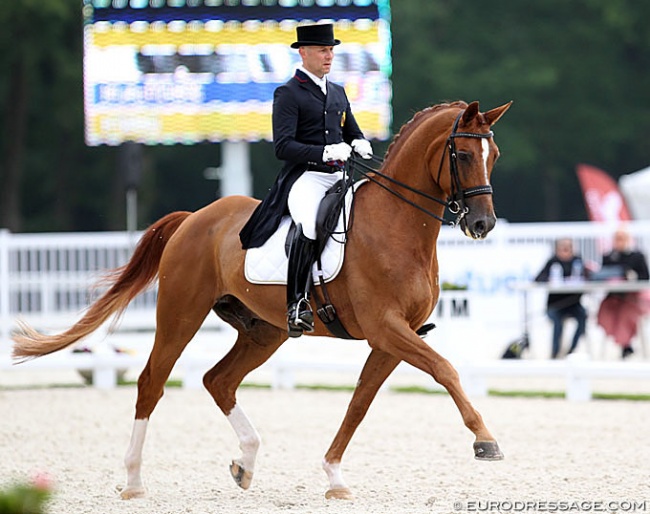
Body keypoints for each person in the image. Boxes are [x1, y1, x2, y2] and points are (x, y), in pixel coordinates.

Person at [239, 23, 373, 337]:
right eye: (322, 51)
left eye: (331, 51)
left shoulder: (337, 91)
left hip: (339, 176)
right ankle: (297, 303)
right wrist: (324, 152)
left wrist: (360, 141)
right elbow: (282, 147)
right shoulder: (288, 93)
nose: (329, 57)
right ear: (304, 53)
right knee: (310, 225)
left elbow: (350, 130)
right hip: (306, 177)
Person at [596, 228, 650, 358]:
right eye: (616, 239)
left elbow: (645, 277)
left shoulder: (637, 256)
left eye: (622, 238)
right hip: (614, 297)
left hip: (633, 297)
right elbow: (602, 277)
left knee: (626, 313)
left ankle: (625, 344)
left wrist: (632, 276)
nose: (619, 242)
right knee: (606, 313)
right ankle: (624, 345)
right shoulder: (608, 257)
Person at [534, 238, 589, 359]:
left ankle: (571, 350)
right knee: (557, 322)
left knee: (584, 316)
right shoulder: (552, 262)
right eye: (562, 247)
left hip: (574, 304)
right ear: (557, 249)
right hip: (555, 305)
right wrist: (550, 280)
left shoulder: (577, 261)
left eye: (568, 247)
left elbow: (588, 279)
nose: (565, 250)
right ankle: (555, 352)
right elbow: (538, 278)